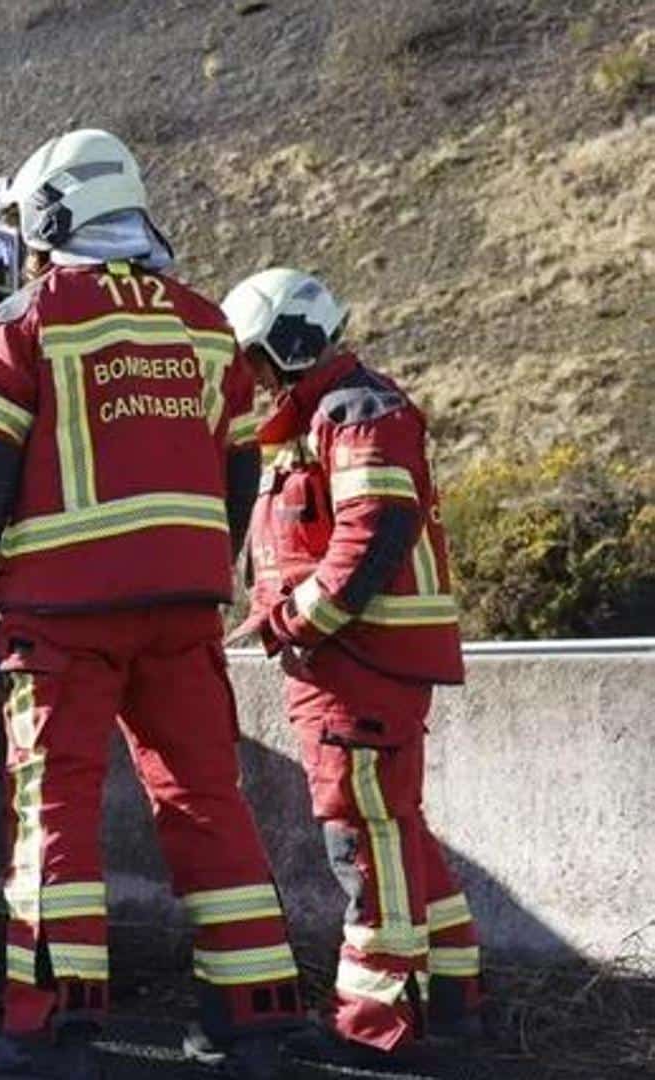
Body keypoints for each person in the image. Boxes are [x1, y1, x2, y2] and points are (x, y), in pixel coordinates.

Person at [0, 128, 302, 1079]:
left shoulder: (24, 325)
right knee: (208, 805)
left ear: (51, 216)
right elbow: (238, 472)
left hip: (60, 619)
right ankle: (249, 1021)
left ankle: (51, 1031)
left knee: (57, 814)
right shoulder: (208, 324)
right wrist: (203, 568)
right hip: (180, 614)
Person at [222, 268, 485, 1066]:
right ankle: (453, 995)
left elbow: (375, 531)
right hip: (347, 664)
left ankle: (378, 1026)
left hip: (357, 665)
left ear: (287, 341)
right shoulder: (322, 416)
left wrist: (301, 621)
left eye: (256, 359)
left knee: (363, 842)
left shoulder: (356, 411)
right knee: (393, 830)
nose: (254, 378)